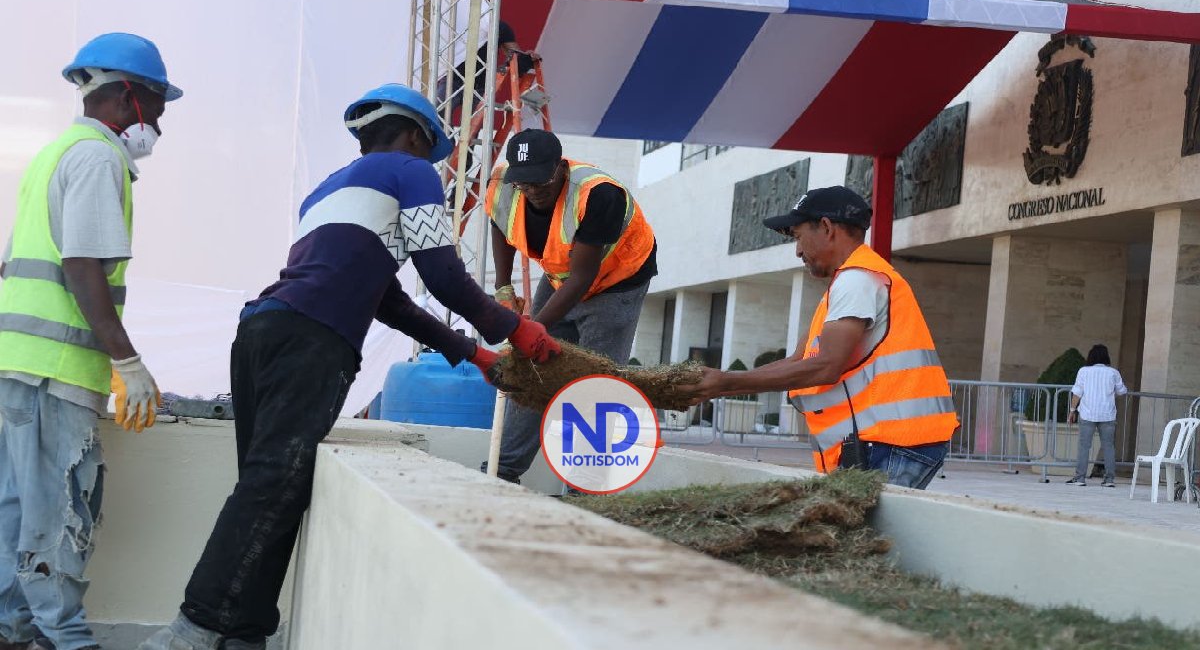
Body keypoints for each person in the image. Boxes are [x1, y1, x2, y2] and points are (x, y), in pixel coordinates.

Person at [140, 84, 559, 650]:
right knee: (273, 486)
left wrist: (474, 353)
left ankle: (245, 632)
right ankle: (191, 631)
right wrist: (512, 327)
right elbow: (441, 274)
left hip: (262, 330)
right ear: (415, 135)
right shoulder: (414, 174)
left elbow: (388, 300)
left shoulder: (324, 192)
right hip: (315, 339)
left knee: (273, 487)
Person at [0, 32, 180, 650]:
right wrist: (126, 362)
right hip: (54, 369)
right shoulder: (99, 157)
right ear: (130, 95)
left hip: (16, 364)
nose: (160, 121)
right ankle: (66, 640)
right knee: (58, 510)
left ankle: (13, 629)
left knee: (15, 510)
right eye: (159, 105)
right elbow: (81, 267)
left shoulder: (55, 153)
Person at [678, 186, 959, 489]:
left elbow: (826, 366)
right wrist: (723, 382)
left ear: (826, 228)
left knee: (859, 535)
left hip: (893, 442)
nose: (797, 250)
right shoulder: (852, 281)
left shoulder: (857, 280)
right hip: (889, 442)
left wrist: (725, 382)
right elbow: (799, 361)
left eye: (798, 236)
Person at [483, 129, 657, 484]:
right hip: (562, 275)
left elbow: (584, 277)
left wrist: (526, 331)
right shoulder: (503, 185)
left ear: (561, 168)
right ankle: (502, 472)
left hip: (616, 281)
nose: (533, 190)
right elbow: (501, 226)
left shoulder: (598, 194)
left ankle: (587, 485)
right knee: (531, 369)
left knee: (595, 381)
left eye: (542, 181)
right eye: (524, 183)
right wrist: (503, 287)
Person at [1065, 344, 1127, 488]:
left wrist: (1072, 410)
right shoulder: (1113, 372)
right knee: (1108, 447)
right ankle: (1109, 479)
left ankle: (1080, 478)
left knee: (1084, 446)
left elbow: (1077, 392)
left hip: (1087, 413)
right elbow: (1122, 391)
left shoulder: (1084, 371)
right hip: (1108, 414)